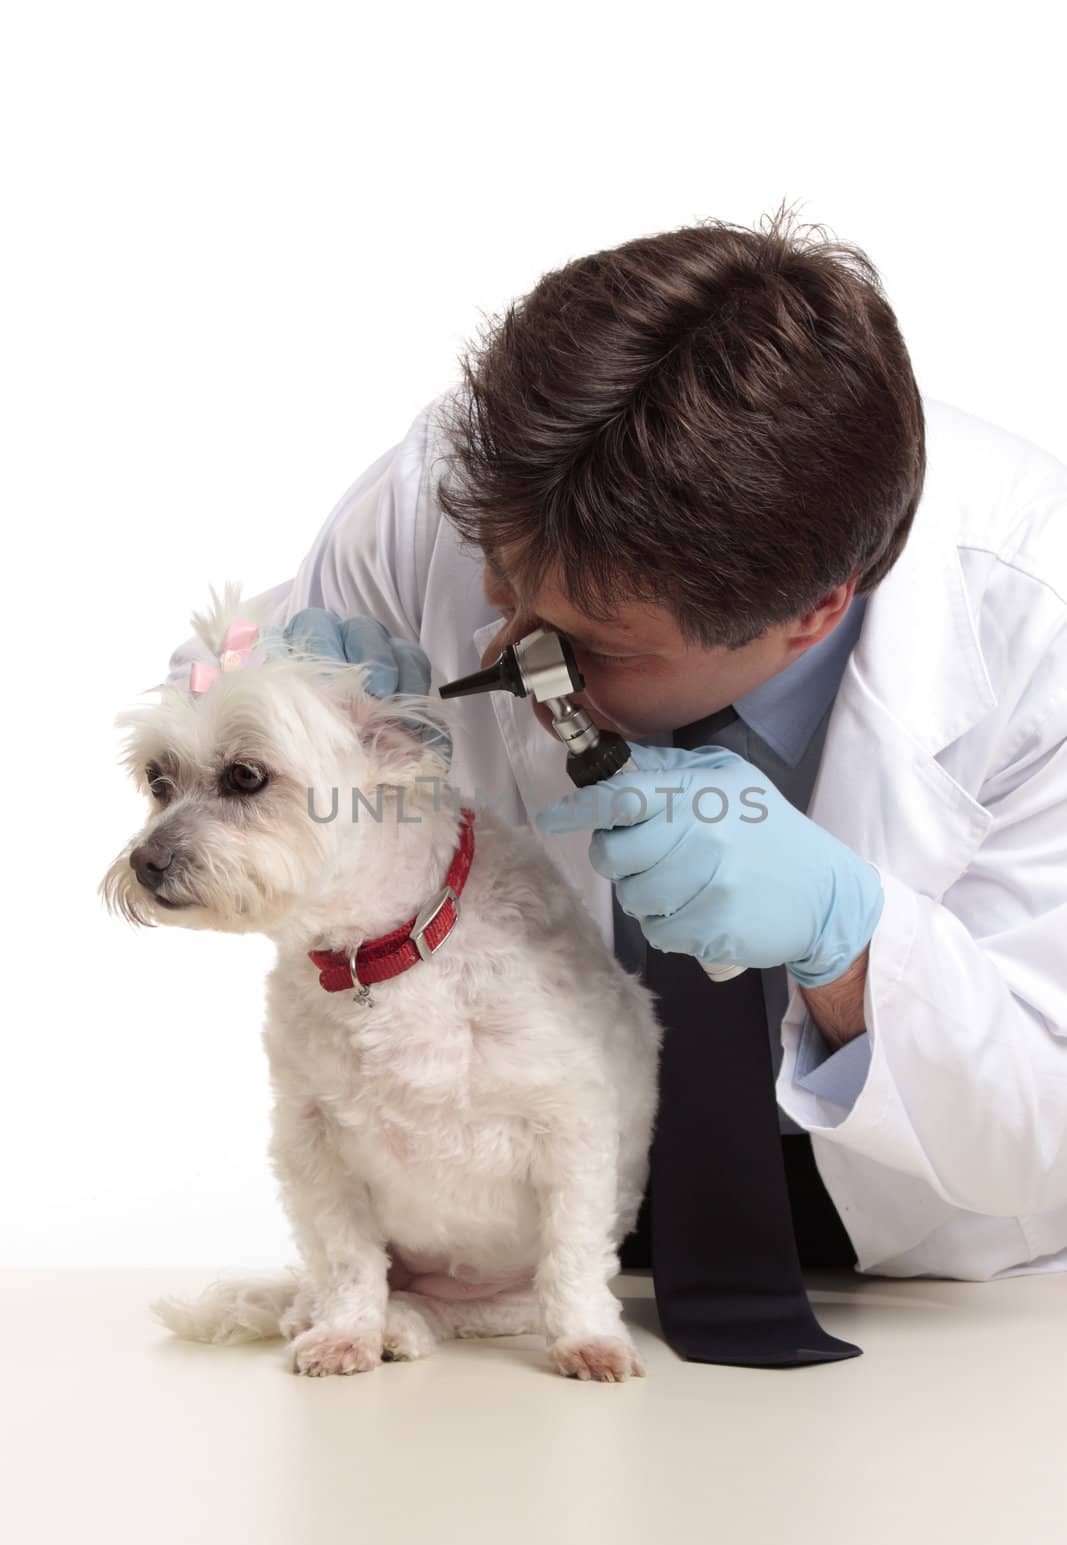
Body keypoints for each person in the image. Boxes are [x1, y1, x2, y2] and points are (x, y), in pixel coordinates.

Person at [168, 210, 1067, 1283]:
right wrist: (280, 695)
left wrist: (849, 945)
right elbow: (230, 740)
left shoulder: (1034, 617)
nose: (507, 653)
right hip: (516, 1220)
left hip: (918, 1254)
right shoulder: (439, 496)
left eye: (591, 644)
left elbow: (1043, 1127)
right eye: (500, 591)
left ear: (814, 611)